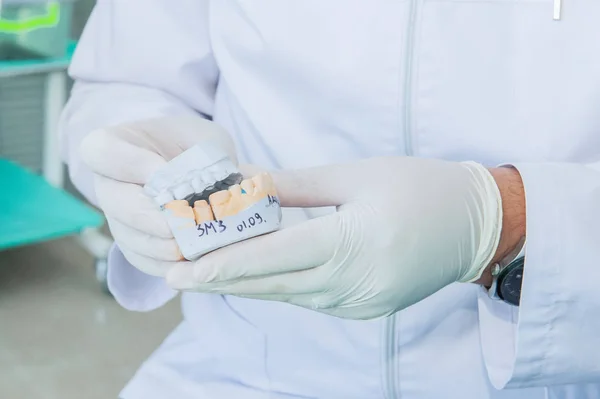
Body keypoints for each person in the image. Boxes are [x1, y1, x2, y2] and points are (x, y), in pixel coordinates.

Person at [59, 1, 600, 398]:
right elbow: (125, 77)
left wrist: (504, 218)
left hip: (552, 373)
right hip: (245, 366)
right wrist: (143, 161)